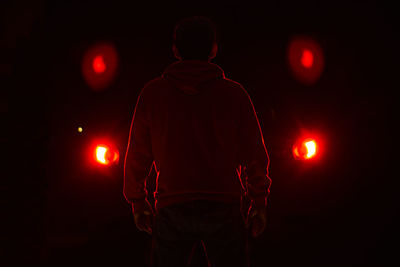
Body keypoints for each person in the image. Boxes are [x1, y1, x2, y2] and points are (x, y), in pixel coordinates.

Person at [124, 16, 271, 267]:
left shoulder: (152, 94)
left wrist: (138, 201)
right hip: (223, 203)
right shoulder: (234, 95)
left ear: (175, 49)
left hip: (172, 204)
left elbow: (137, 154)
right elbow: (253, 152)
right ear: (213, 49)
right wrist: (259, 201)